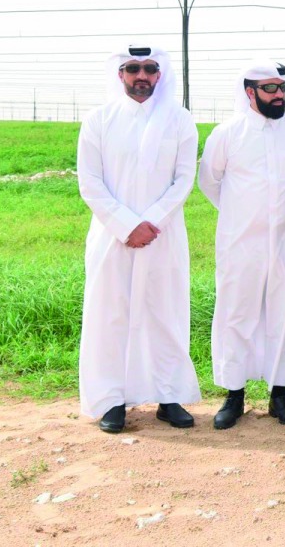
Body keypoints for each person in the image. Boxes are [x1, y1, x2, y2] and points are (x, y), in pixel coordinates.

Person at [76, 45, 200, 433]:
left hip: (163, 236)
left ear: (160, 75)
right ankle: (113, 400)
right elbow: (90, 182)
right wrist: (126, 224)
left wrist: (150, 222)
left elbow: (184, 180)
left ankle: (168, 396)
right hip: (112, 237)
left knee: (164, 313)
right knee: (110, 315)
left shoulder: (180, 121)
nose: (141, 76)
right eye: (133, 69)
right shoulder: (98, 120)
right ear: (120, 73)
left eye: (149, 69)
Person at [198, 60, 285, 429]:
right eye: (270, 89)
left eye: (282, 88)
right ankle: (234, 395)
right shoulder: (227, 133)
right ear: (250, 92)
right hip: (240, 243)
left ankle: (281, 394)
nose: (278, 95)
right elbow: (210, 182)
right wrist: (242, 214)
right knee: (237, 313)